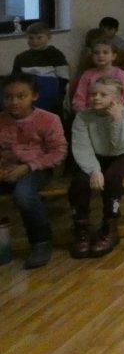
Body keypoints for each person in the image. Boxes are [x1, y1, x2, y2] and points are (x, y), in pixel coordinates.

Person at [0, 73, 67, 269]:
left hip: (37, 168)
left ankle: (41, 241)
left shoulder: (49, 119)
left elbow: (58, 152)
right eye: (8, 97)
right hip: (6, 168)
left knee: (24, 195)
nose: (14, 102)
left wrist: (28, 167)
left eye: (21, 96)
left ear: (34, 96)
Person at [67, 77, 124, 259]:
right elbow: (82, 148)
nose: (96, 98)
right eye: (92, 94)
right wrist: (94, 170)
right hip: (95, 157)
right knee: (79, 181)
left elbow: (119, 145)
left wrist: (116, 120)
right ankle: (81, 227)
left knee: (113, 178)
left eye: (103, 94)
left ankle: (110, 224)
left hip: (122, 155)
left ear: (118, 98)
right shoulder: (82, 117)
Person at [71, 39, 124, 114]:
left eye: (105, 52)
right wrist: (84, 112)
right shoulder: (87, 74)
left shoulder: (121, 74)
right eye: (96, 53)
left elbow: (121, 97)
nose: (101, 55)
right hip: (88, 112)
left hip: (111, 112)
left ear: (113, 56)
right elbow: (79, 98)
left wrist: (108, 111)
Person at [12, 21, 70, 85]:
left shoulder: (56, 55)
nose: (35, 41)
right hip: (27, 89)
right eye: (31, 38)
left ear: (49, 37)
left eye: (39, 37)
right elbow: (15, 80)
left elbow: (64, 79)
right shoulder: (20, 58)